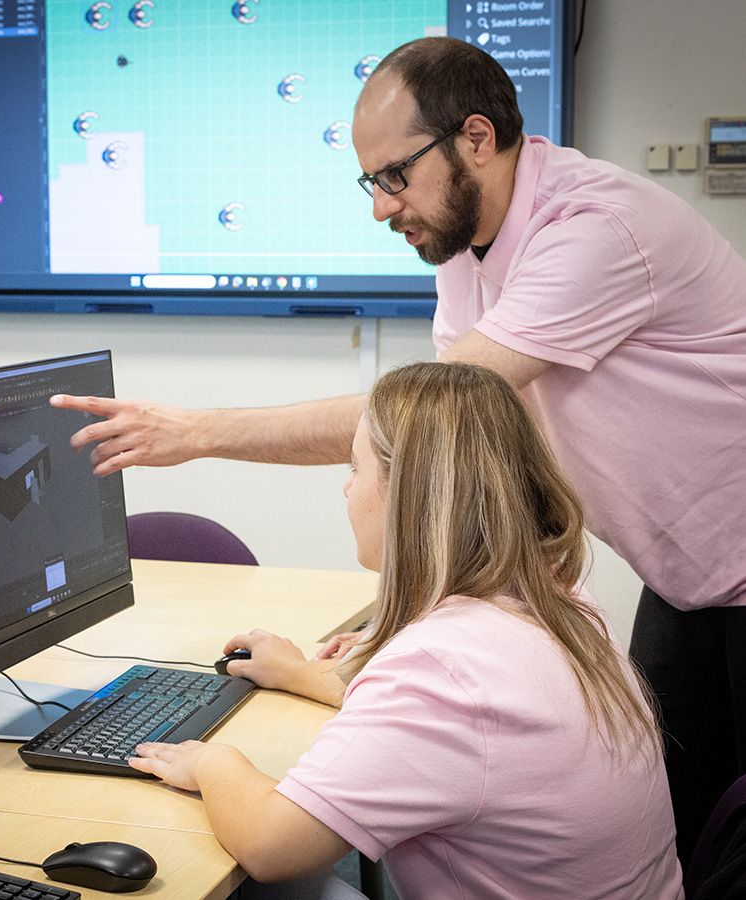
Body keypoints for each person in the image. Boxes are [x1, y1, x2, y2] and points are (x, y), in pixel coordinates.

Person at [52, 37, 746, 868]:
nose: (381, 207)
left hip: (733, 565)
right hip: (688, 576)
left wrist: (197, 434)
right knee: (696, 832)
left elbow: (417, 424)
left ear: (477, 140)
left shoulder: (596, 231)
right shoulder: (469, 243)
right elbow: (447, 421)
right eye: (370, 182)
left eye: (394, 176)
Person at [127, 362, 683, 900]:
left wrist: (212, 762)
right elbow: (464, 726)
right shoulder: (558, 600)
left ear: (409, 495)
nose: (346, 490)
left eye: (355, 469)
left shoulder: (443, 667)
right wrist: (299, 673)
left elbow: (272, 847)